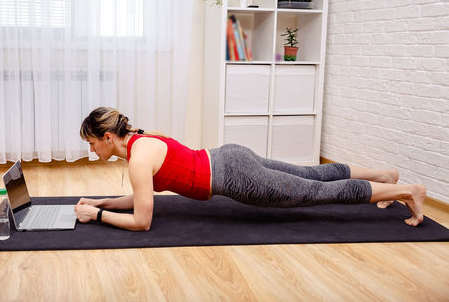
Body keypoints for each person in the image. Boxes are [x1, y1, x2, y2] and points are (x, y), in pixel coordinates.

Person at [74, 107, 426, 231]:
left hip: (235, 177)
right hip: (229, 156)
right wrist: (101, 202)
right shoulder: (143, 139)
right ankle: (383, 176)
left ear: (107, 136)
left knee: (315, 192)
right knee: (311, 173)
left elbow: (142, 221)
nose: (92, 150)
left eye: (92, 142)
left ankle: (406, 191)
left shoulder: (137, 161)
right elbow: (139, 197)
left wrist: (97, 216)